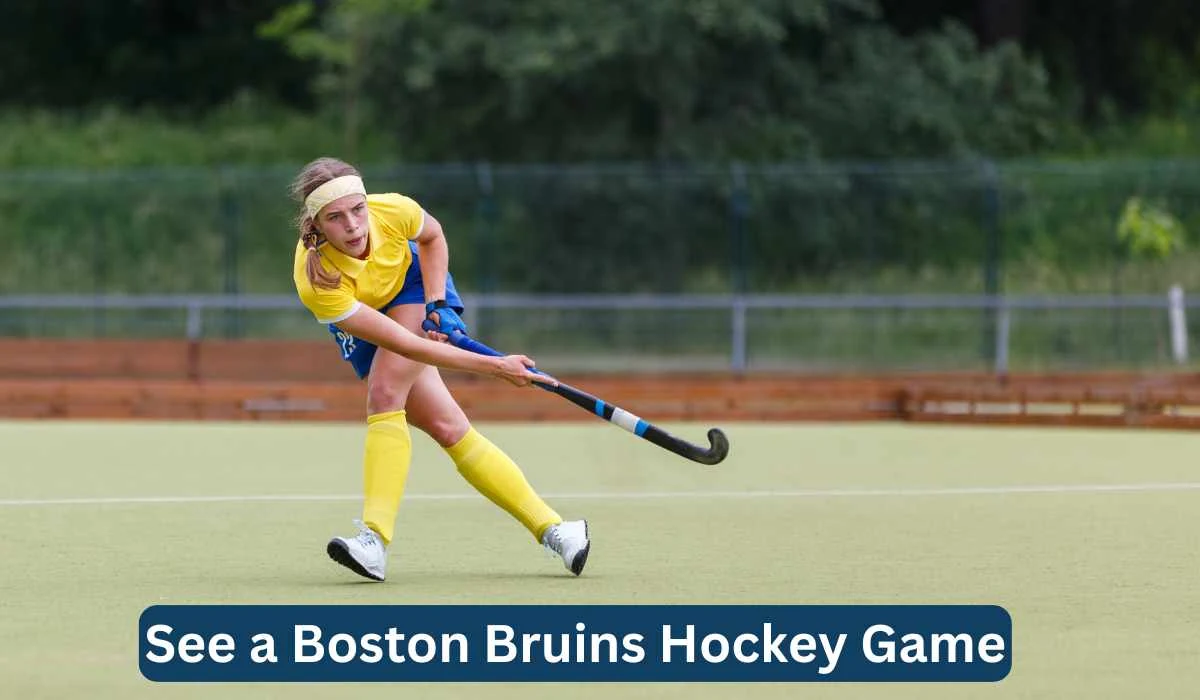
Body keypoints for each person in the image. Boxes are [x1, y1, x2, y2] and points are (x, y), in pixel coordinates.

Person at [290, 156, 590, 581]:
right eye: (336, 218)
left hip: (411, 284)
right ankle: (557, 529)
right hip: (367, 313)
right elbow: (409, 346)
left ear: (367, 202)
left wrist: (437, 303)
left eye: (358, 210)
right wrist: (495, 366)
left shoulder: (393, 209)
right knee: (449, 427)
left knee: (384, 392)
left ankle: (374, 540)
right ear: (317, 224)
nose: (354, 226)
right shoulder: (315, 279)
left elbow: (432, 237)